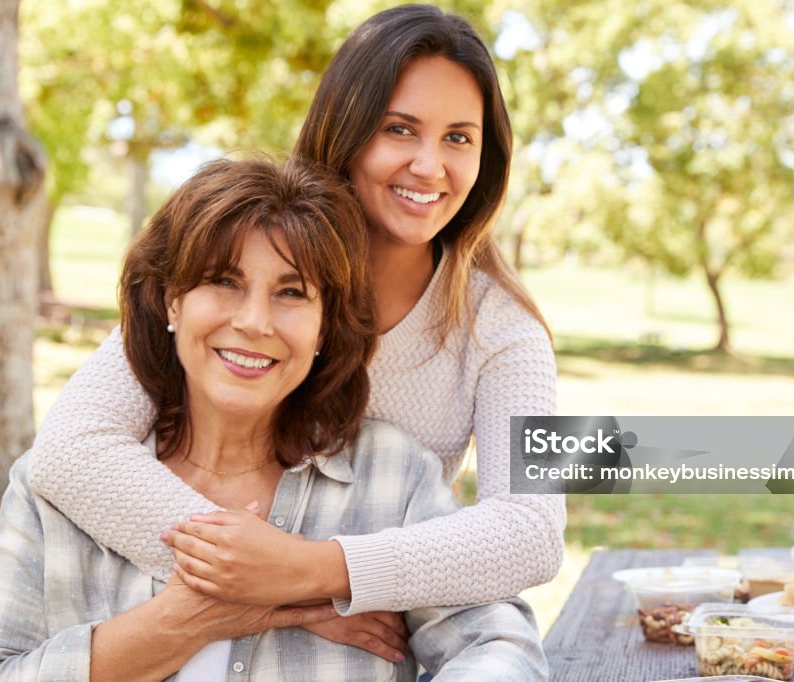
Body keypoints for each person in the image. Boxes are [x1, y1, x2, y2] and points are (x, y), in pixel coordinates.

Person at [27, 3, 563, 661]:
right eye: (400, 129)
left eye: (459, 137)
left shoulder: (504, 331)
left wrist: (317, 570)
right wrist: (264, 594)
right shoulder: (246, 258)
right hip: (159, 626)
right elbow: (70, 448)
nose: (430, 166)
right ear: (346, 129)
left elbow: (534, 529)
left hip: (355, 651)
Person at [0, 158, 548, 681]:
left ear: (323, 327)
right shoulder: (61, 485)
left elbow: (509, 618)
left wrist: (310, 570)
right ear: (173, 302)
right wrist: (189, 618)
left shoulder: (396, 472)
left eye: (291, 293)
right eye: (223, 282)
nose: (254, 321)